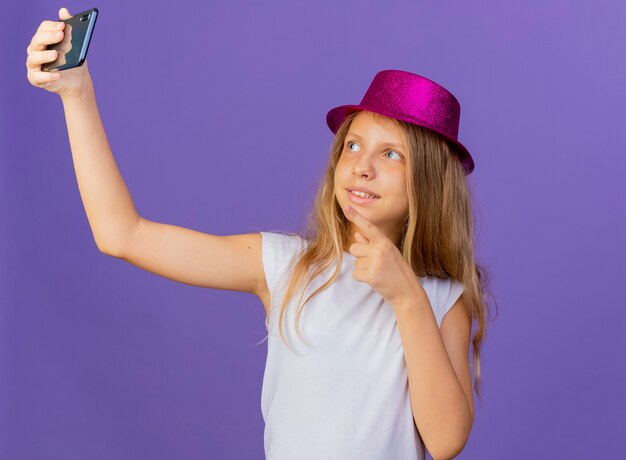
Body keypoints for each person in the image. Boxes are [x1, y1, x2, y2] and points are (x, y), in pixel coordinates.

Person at [27, 7, 495, 460]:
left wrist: (406, 298)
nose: (362, 167)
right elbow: (121, 234)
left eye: (391, 154)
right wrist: (77, 94)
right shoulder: (285, 265)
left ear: (430, 182)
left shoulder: (440, 298)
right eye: (353, 145)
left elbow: (446, 440)